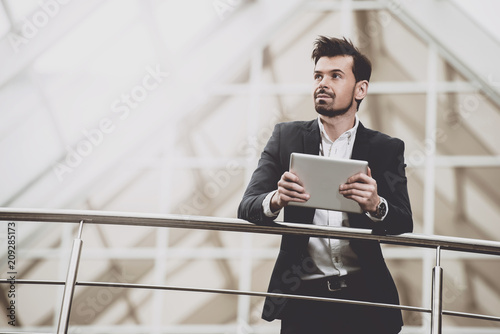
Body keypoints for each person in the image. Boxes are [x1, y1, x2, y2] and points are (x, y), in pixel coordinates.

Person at [237, 36, 413, 333]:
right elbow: (247, 206)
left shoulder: (386, 148)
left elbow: (403, 220)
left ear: (361, 89)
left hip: (366, 298)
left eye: (335, 76)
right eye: (318, 75)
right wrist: (277, 199)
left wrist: (376, 205)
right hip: (303, 298)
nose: (322, 83)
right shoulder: (285, 138)